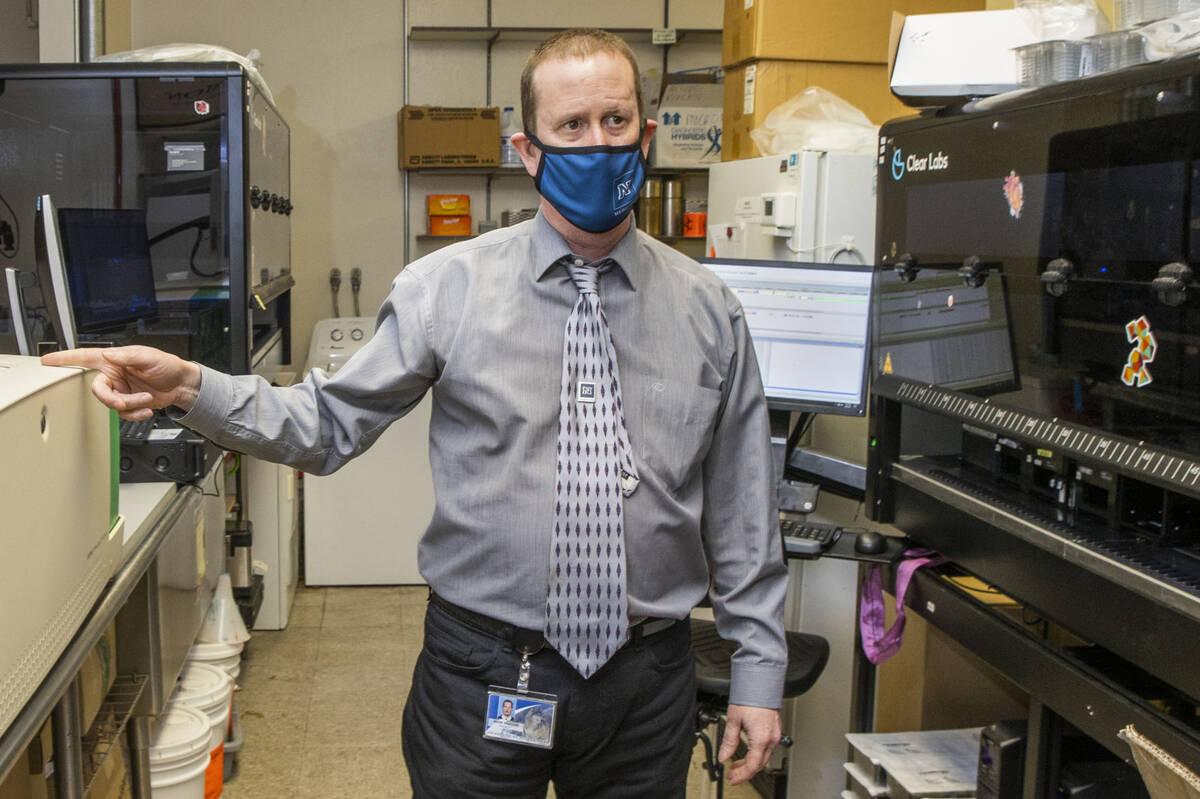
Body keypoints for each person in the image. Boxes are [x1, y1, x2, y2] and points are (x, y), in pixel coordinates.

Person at [43, 27, 788, 798]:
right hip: (484, 670)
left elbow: (742, 512)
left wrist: (758, 674)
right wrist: (190, 386)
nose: (597, 145)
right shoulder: (446, 290)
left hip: (646, 683)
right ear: (527, 150)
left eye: (615, 122)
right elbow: (326, 424)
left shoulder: (709, 310)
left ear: (646, 133)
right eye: (571, 127)